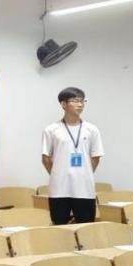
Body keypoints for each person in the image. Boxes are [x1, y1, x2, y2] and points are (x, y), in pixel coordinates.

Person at [42, 87, 104, 225]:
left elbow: (96, 157)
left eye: (82, 101)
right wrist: (58, 174)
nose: (80, 104)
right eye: (75, 101)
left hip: (84, 189)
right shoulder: (51, 129)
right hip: (59, 190)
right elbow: (46, 158)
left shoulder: (92, 129)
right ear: (63, 104)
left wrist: (83, 173)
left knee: (86, 228)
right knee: (60, 228)